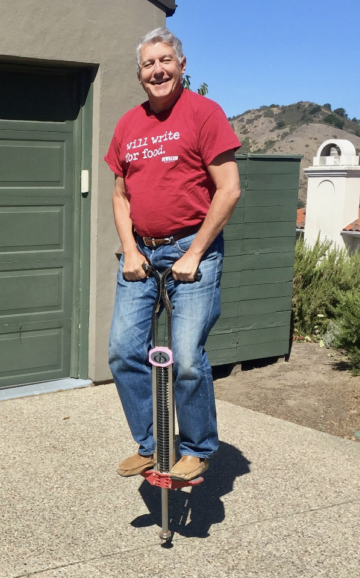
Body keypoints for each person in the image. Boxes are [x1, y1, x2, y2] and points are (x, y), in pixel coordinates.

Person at [104, 27, 241, 481]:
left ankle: (197, 448)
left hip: (192, 248)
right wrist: (129, 249)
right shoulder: (128, 124)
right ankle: (153, 444)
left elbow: (228, 189)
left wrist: (195, 253)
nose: (157, 70)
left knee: (184, 356)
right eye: (148, 63)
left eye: (165, 60)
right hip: (141, 250)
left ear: (182, 66)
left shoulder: (204, 113)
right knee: (123, 351)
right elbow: (120, 195)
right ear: (139, 74)